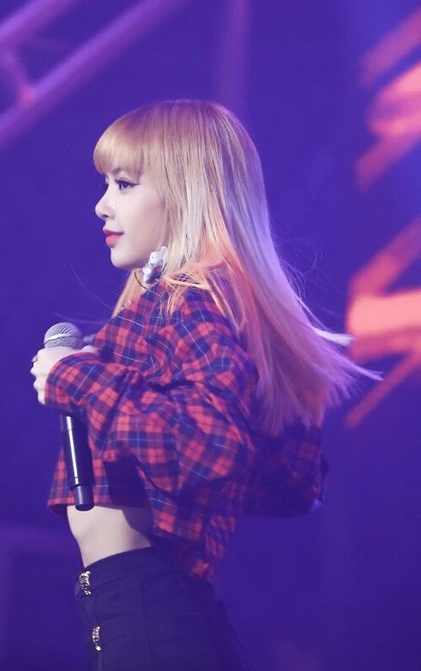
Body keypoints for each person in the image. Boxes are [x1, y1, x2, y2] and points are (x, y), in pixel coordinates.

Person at [31, 99, 363, 671]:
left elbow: (211, 449)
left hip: (151, 613)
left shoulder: (190, 301)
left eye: (124, 184)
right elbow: (288, 481)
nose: (102, 205)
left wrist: (77, 378)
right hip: (152, 610)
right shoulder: (183, 305)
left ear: (187, 193)